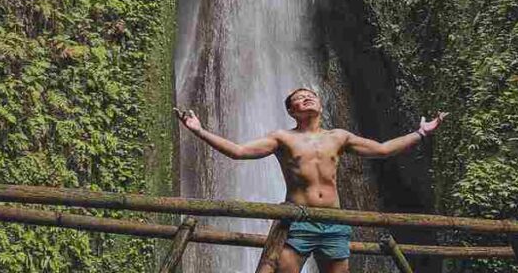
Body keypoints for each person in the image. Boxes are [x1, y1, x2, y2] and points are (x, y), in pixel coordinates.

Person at [174, 88, 448, 273]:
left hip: (334, 220)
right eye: (299, 98)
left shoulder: (339, 136)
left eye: (310, 95)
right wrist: (199, 130)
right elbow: (239, 151)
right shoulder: (282, 138)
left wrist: (421, 133)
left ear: (320, 103)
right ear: (291, 111)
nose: (306, 98)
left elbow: (384, 150)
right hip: (298, 220)